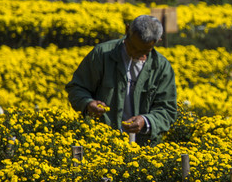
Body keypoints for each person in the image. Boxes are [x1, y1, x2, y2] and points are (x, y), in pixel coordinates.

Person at [66, 15, 177, 145]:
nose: (135, 53)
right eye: (132, 47)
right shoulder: (102, 54)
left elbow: (167, 111)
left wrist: (145, 121)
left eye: (143, 51)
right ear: (127, 30)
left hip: (144, 148)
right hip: (100, 143)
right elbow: (77, 88)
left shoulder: (162, 68)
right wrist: (88, 103)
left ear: (158, 41)